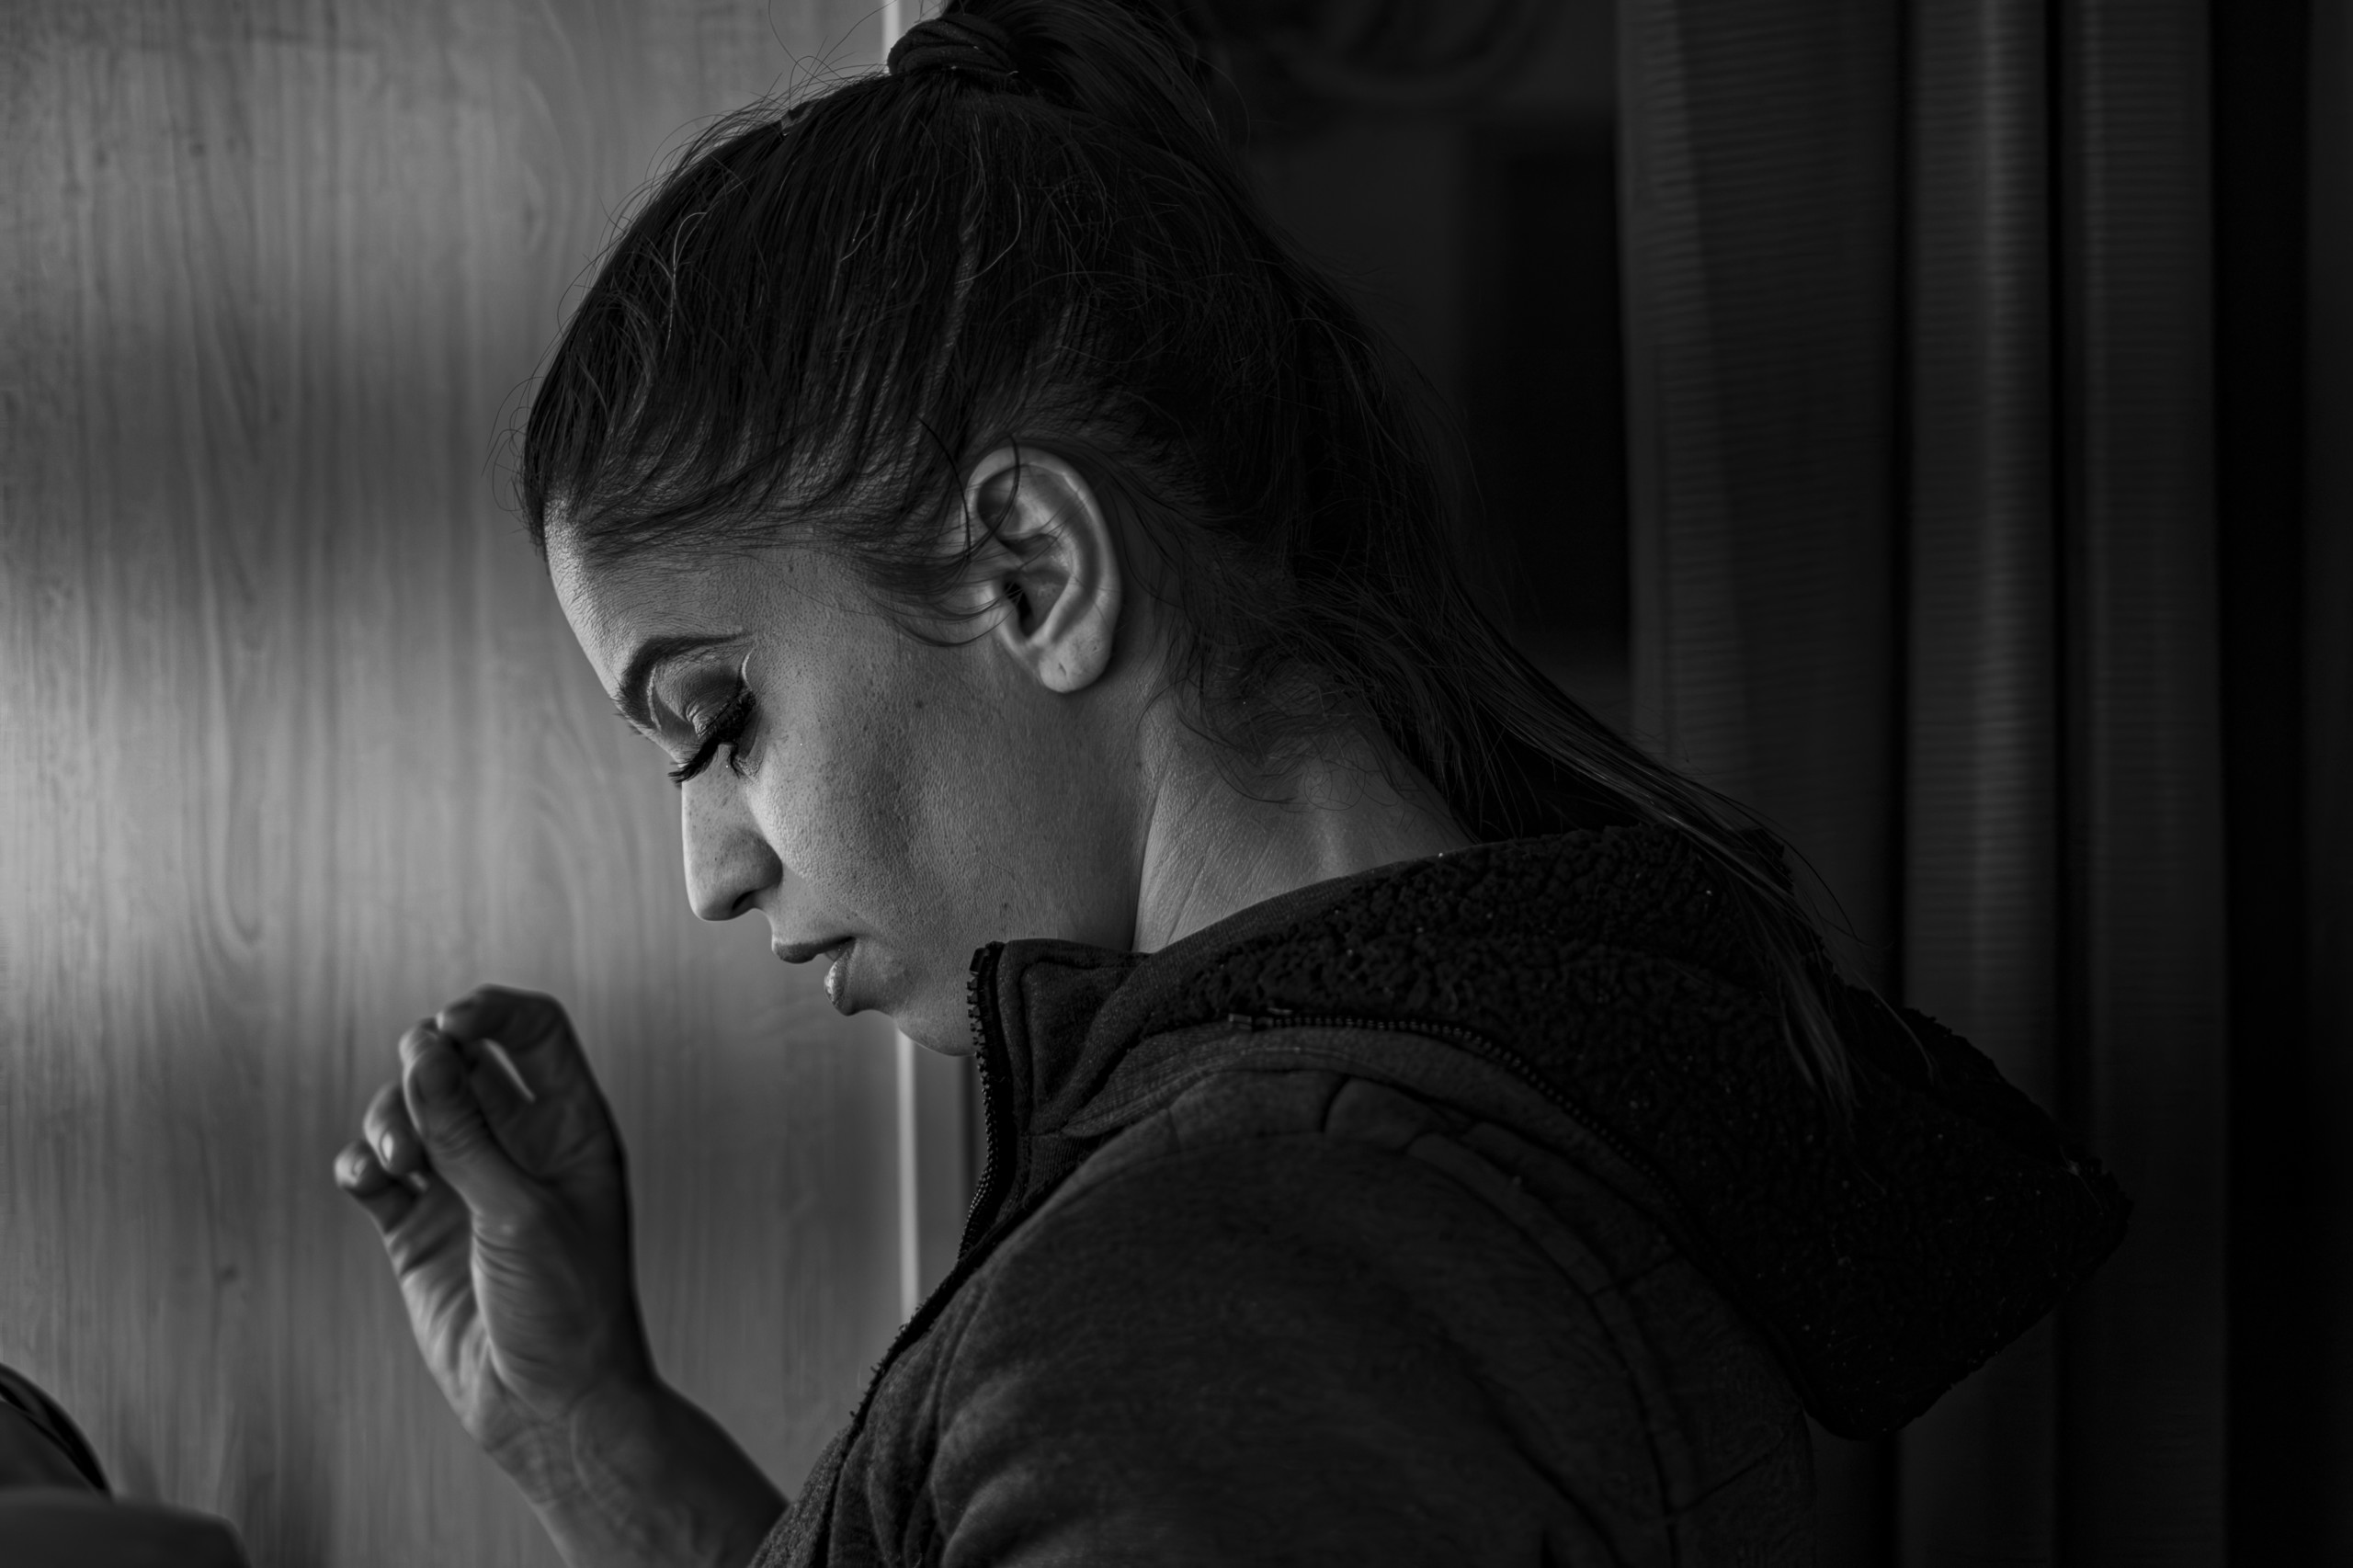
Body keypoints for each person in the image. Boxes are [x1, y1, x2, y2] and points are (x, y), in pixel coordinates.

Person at [334, 4, 2129, 1563]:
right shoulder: (1434, 1122)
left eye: (719, 720)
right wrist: (582, 1417)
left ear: (1033, 572)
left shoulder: (1231, 1282)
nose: (708, 872)